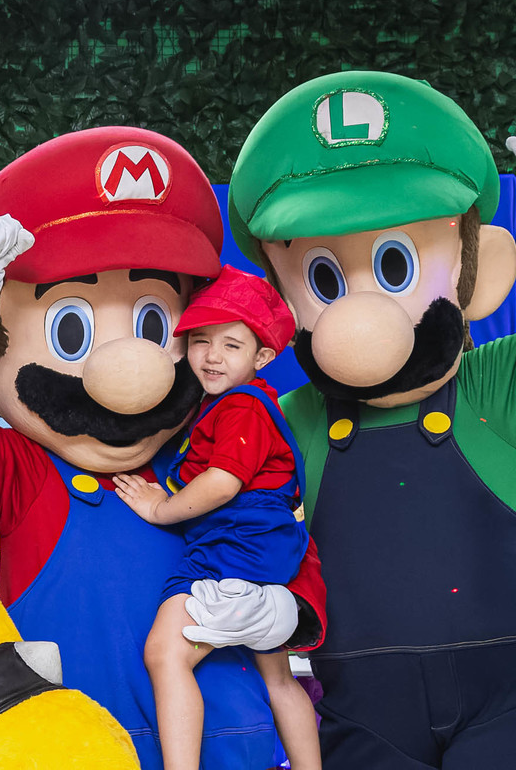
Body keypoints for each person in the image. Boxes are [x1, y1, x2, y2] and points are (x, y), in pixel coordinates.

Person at [210, 70, 516, 769]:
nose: (361, 312)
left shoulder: (493, 385)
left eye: (394, 265)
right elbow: (220, 494)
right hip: (365, 696)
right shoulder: (292, 418)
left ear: (475, 268)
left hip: (509, 692)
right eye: (324, 279)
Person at [0, 126, 327, 770]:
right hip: (79, 747)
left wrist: (291, 609)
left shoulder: (201, 449)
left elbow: (273, 526)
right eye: (71, 328)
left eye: (154, 323)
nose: (129, 364)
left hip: (226, 745)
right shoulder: (27, 474)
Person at [114, 265, 319, 770]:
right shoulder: (236, 405)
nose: (211, 356)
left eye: (231, 344)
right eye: (201, 341)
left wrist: (160, 507)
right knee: (278, 679)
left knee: (165, 654)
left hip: (234, 554)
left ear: (262, 357)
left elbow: (224, 481)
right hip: (269, 562)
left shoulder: (240, 407)